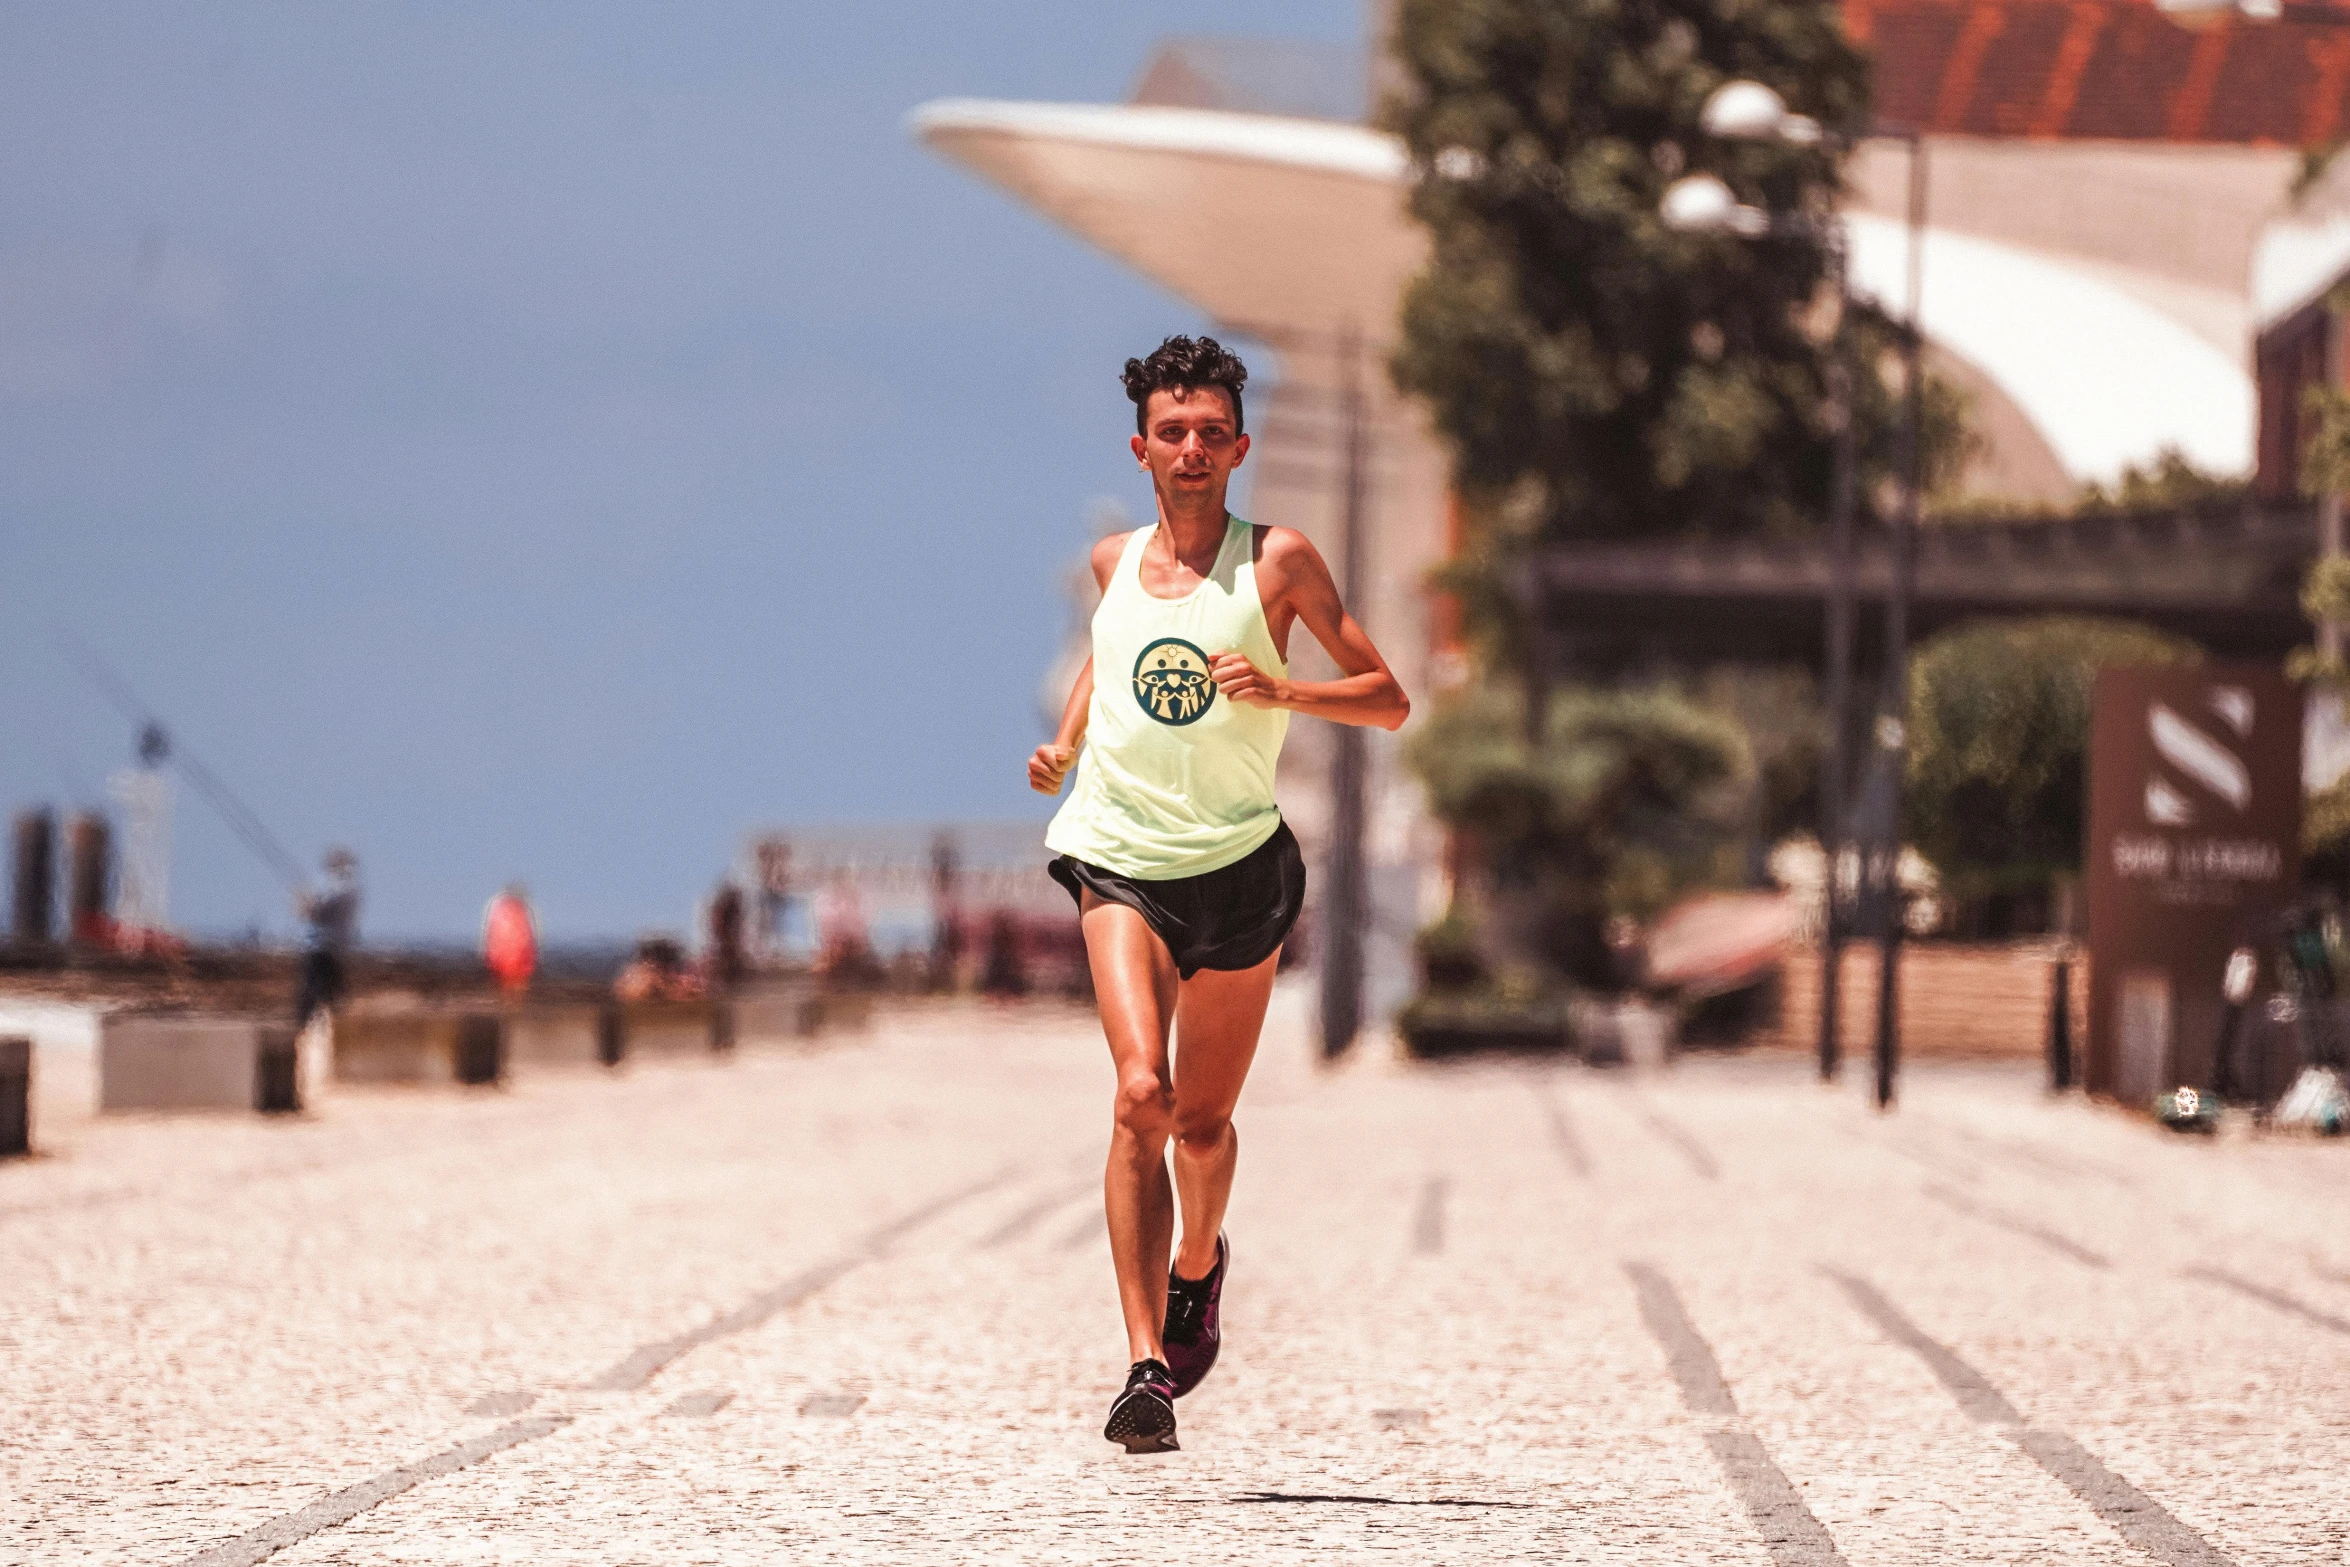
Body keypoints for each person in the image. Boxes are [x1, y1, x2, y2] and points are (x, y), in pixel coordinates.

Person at [1029, 335, 1408, 1453]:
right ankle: (1146, 1364)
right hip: (1116, 853)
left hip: (1241, 868)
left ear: (1238, 448)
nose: (1189, 449)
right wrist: (1063, 745)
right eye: (1170, 431)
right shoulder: (1110, 561)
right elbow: (1107, 658)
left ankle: (1199, 1267)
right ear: (1139, 446)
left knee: (1200, 1122)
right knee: (1139, 1091)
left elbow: (1385, 698)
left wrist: (1282, 684)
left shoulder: (1277, 561)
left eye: (1209, 433)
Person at [294, 848, 361, 1030]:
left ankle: (309, 1025)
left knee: (314, 991)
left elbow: (318, 912)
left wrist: (306, 902)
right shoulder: (351, 888)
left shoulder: (341, 888)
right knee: (332, 990)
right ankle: (333, 1023)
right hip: (337, 947)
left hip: (323, 948)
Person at [482, 884, 538, 997]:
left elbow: (527, 933)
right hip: (507, 953)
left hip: (512, 953)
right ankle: (510, 1001)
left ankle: (512, 1001)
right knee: (509, 978)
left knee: (515, 978)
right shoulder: (503, 909)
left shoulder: (519, 909)